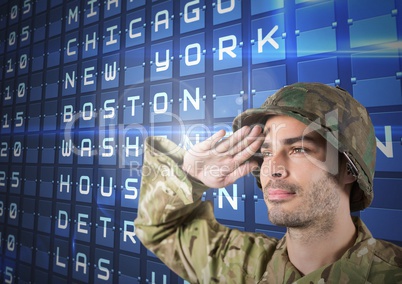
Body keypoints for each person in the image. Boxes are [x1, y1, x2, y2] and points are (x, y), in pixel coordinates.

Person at [134, 82, 402, 283]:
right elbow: (160, 229)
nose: (273, 168)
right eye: (266, 152)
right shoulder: (241, 264)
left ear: (349, 169)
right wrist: (188, 177)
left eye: (299, 149)